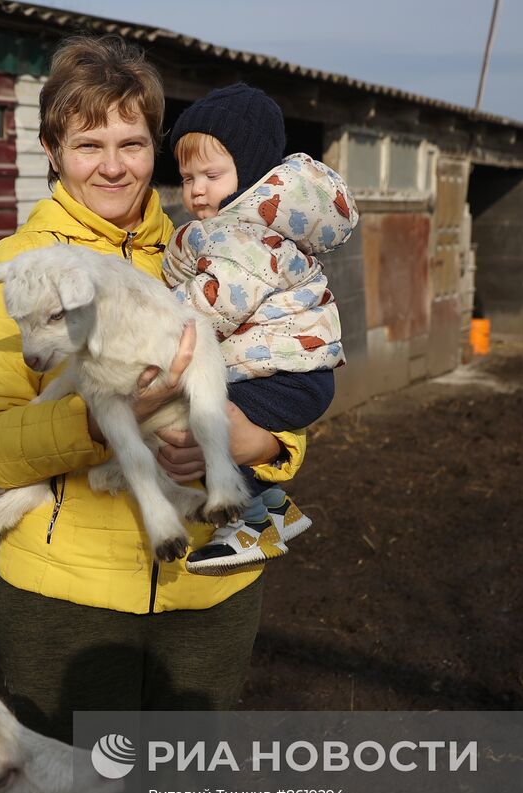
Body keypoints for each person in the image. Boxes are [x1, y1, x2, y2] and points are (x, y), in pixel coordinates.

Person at [0, 36, 309, 793]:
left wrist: (260, 441)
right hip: (73, 606)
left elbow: (287, 378)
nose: (112, 164)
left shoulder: (213, 245)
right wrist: (103, 415)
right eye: (88, 143)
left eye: (131, 140)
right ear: (51, 152)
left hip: (210, 592)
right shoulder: (19, 265)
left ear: (157, 145)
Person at [165, 83, 359, 574]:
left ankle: (253, 523)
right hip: (290, 372)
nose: (196, 189)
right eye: (187, 177)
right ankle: (274, 506)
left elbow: (214, 306)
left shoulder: (245, 239)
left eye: (212, 174)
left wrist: (158, 316)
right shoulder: (237, 234)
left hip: (285, 377)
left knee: (204, 421)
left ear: (250, 176)